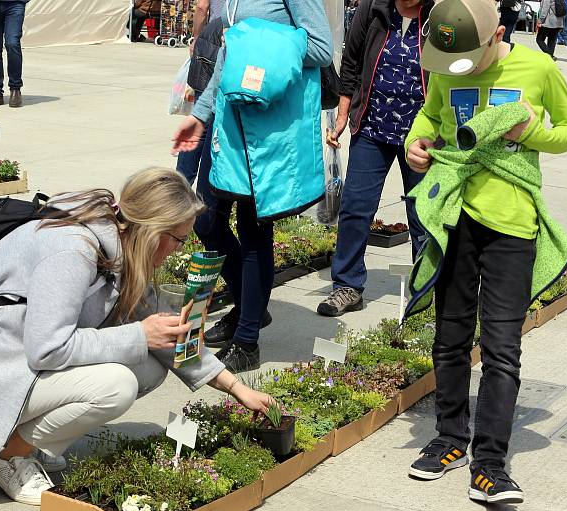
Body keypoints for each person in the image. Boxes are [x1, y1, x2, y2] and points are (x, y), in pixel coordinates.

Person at [0, 169, 276, 506]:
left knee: (148, 366)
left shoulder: (119, 237)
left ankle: (22, 436)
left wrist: (235, 388)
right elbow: (48, 350)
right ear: (154, 231)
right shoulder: (73, 251)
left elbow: (159, 328)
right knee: (116, 385)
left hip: (15, 356)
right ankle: (7, 456)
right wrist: (139, 335)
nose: (179, 250)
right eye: (179, 240)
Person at [404, 0, 567, 504]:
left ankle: (490, 463)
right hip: (455, 219)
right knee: (450, 336)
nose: (458, 70)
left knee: (503, 348)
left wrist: (534, 133)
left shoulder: (538, 67)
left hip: (512, 227)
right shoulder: (447, 64)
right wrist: (418, 144)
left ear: (498, 34)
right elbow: (429, 116)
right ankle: (448, 438)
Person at [172, 0, 333, 373]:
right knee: (206, 221)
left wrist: (252, 42)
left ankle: (247, 341)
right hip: (227, 125)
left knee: (252, 229)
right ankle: (251, 308)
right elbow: (228, 56)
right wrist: (200, 117)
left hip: (268, 130)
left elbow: (322, 49)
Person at [316, 0, 432, 318]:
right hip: (372, 125)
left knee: (423, 215)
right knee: (355, 208)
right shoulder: (374, 7)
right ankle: (347, 286)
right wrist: (342, 116)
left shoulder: (440, 15)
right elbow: (351, 63)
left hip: (424, 135)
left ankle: (425, 291)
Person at [175, 0, 222, 186]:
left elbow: (202, 6)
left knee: (201, 117)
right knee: (216, 120)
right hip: (232, 40)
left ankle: (181, 184)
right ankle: (207, 190)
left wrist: (197, 38)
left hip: (211, 38)